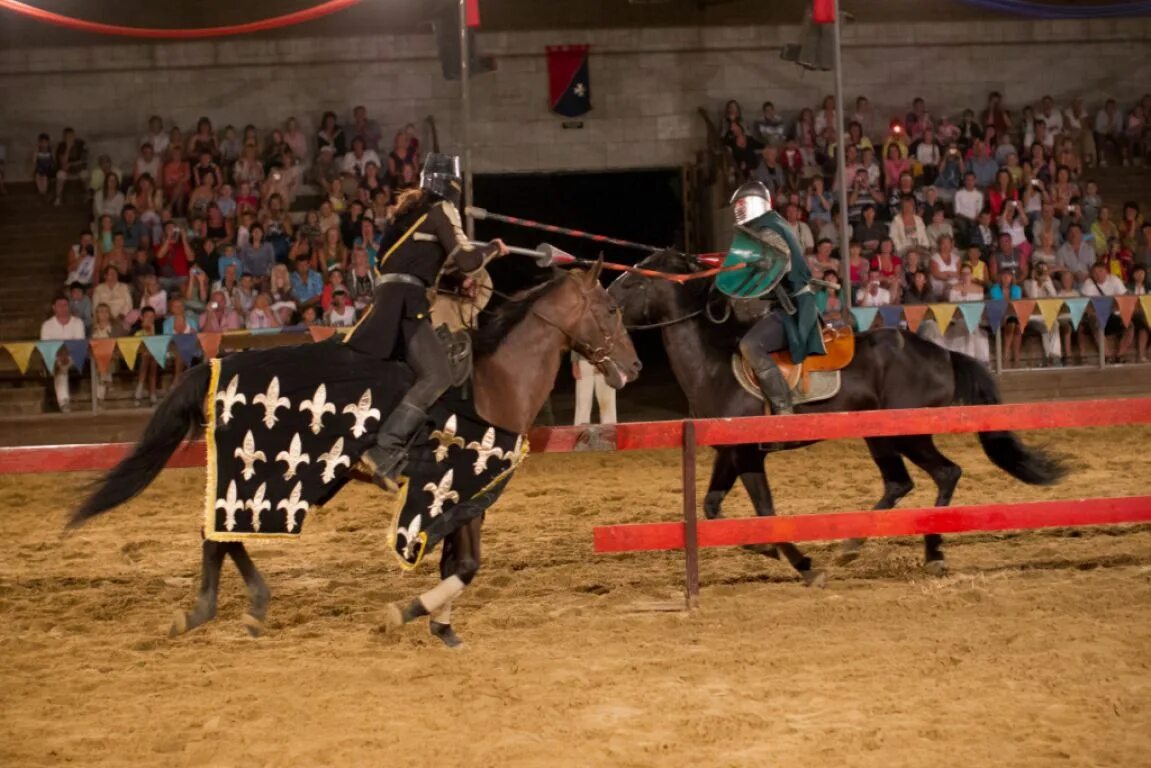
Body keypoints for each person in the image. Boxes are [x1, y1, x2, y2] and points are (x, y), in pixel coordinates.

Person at [346, 153, 509, 490]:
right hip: (408, 303)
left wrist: (451, 282)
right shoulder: (441, 209)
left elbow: (413, 264)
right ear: (451, 185)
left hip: (389, 298)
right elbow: (466, 260)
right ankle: (385, 448)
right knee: (438, 374)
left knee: (414, 374)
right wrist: (492, 249)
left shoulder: (405, 216)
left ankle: (399, 449)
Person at [718, 182, 823, 416]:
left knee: (750, 345)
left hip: (792, 308)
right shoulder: (765, 226)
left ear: (755, 204)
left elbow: (780, 264)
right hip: (782, 304)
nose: (738, 209)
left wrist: (758, 265)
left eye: (742, 204)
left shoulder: (769, 230)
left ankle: (783, 405)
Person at [41, 295, 86, 412]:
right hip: (55, 357)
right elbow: (47, 347)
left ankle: (64, 402)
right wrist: (60, 354)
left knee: (64, 362)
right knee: (60, 365)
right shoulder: (47, 325)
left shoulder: (78, 322)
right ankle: (64, 402)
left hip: (74, 356)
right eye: (59, 305)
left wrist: (66, 352)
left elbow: (79, 344)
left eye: (65, 305)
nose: (63, 308)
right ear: (54, 308)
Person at [572, 350, 617, 426]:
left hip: (605, 360)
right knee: (583, 399)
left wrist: (616, 363)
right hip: (584, 360)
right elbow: (576, 341)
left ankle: (609, 430)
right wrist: (575, 363)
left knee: (607, 400)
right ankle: (580, 431)